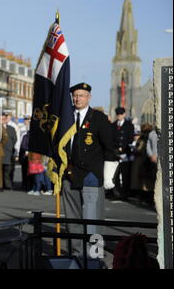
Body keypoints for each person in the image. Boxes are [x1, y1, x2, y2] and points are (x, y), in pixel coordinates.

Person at [62, 83, 118, 253]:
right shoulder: (66, 116)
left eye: (81, 95)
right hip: (69, 173)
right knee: (72, 220)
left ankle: (94, 256)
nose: (78, 99)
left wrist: (108, 177)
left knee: (93, 220)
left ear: (89, 97)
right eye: (75, 95)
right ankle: (77, 254)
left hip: (91, 174)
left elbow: (109, 147)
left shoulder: (98, 118)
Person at [111, 107, 134, 201]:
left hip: (125, 153)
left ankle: (125, 194)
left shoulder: (129, 125)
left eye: (121, 114)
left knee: (125, 175)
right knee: (115, 175)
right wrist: (115, 149)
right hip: (115, 153)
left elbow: (130, 138)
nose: (119, 116)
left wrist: (122, 148)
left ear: (124, 114)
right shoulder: (113, 125)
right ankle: (117, 193)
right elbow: (111, 138)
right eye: (118, 114)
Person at [2, 113, 17, 190]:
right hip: (0, 152)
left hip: (8, 152)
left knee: (8, 170)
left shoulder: (11, 128)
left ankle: (8, 185)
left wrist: (10, 147)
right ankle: (0, 185)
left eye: (4, 119)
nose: (3, 121)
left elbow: (15, 139)